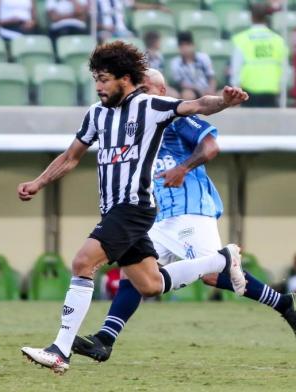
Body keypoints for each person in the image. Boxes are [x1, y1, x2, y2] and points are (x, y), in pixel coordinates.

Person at [18, 41, 248, 375]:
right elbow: (71, 157)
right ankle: (220, 259)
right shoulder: (97, 114)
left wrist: (224, 102)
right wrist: (39, 182)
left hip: (134, 207)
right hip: (113, 210)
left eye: (105, 79)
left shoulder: (150, 106)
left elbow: (197, 104)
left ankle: (60, 350)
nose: (98, 86)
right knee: (150, 285)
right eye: (96, 79)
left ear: (126, 79)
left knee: (83, 261)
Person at [72, 69, 296, 363]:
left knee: (214, 275)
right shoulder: (137, 124)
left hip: (191, 210)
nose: (141, 94)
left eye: (147, 88)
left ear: (162, 92)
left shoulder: (176, 117)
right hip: (159, 215)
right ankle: (105, 340)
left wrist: (184, 167)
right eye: (138, 88)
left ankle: (283, 304)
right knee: (135, 273)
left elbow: (211, 145)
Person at [230, 3, 287, 108]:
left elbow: (236, 69)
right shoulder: (279, 41)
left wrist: (235, 90)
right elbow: (284, 69)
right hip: (272, 92)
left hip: (248, 93)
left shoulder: (241, 39)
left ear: (251, 17)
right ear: (267, 17)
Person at [170, 31, 217, 100]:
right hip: (190, 90)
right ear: (178, 48)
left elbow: (211, 77)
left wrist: (211, 89)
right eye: (182, 45)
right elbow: (180, 84)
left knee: (224, 95)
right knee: (187, 95)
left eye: (187, 45)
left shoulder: (203, 57)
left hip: (206, 89)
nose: (185, 48)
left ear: (193, 45)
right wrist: (197, 89)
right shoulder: (175, 62)